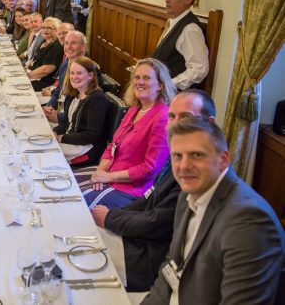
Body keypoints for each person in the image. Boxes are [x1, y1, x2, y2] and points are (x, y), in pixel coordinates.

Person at [141, 117, 285, 305]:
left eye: (197, 155)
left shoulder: (249, 220)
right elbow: (171, 267)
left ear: (223, 160)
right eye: (177, 156)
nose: (184, 166)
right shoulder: (188, 194)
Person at [91, 90, 215, 292]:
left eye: (186, 117)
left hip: (151, 258)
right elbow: (150, 198)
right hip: (143, 237)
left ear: (209, 122)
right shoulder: (178, 155)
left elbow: (159, 223)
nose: (175, 124)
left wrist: (110, 219)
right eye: (172, 116)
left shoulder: (198, 170)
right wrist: (114, 215)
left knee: (84, 253)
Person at [77, 58, 176, 209]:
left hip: (131, 190)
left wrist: (108, 176)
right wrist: (100, 172)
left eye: (147, 78)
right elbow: (112, 146)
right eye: (137, 77)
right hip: (110, 174)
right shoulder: (133, 110)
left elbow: (150, 169)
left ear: (160, 85)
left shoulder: (162, 118)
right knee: (65, 185)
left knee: (73, 203)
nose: (140, 82)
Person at [49, 57, 109, 166]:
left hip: (86, 149)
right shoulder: (73, 94)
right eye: (72, 73)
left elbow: (91, 135)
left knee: (47, 153)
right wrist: (56, 132)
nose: (74, 77)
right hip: (71, 141)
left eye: (79, 73)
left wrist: (61, 138)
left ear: (90, 76)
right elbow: (65, 123)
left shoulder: (97, 99)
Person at [152, 0, 209, 90]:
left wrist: (170, 84)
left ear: (188, 0)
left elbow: (199, 68)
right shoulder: (173, 22)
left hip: (172, 97)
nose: (167, 0)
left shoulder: (190, 29)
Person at [26, 17, 64, 91]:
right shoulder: (44, 42)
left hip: (43, 81)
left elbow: (46, 70)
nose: (45, 30)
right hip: (33, 75)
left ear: (56, 30)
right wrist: (25, 69)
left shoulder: (56, 46)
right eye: (43, 27)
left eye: (49, 28)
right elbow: (34, 59)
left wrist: (26, 76)